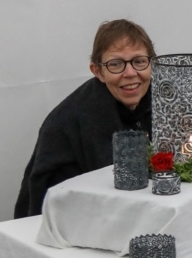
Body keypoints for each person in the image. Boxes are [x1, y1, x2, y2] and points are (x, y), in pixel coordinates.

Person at [15, 20, 155, 218]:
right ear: (98, 71)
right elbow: (41, 201)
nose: (131, 73)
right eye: (116, 64)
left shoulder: (164, 102)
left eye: (139, 61)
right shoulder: (72, 119)